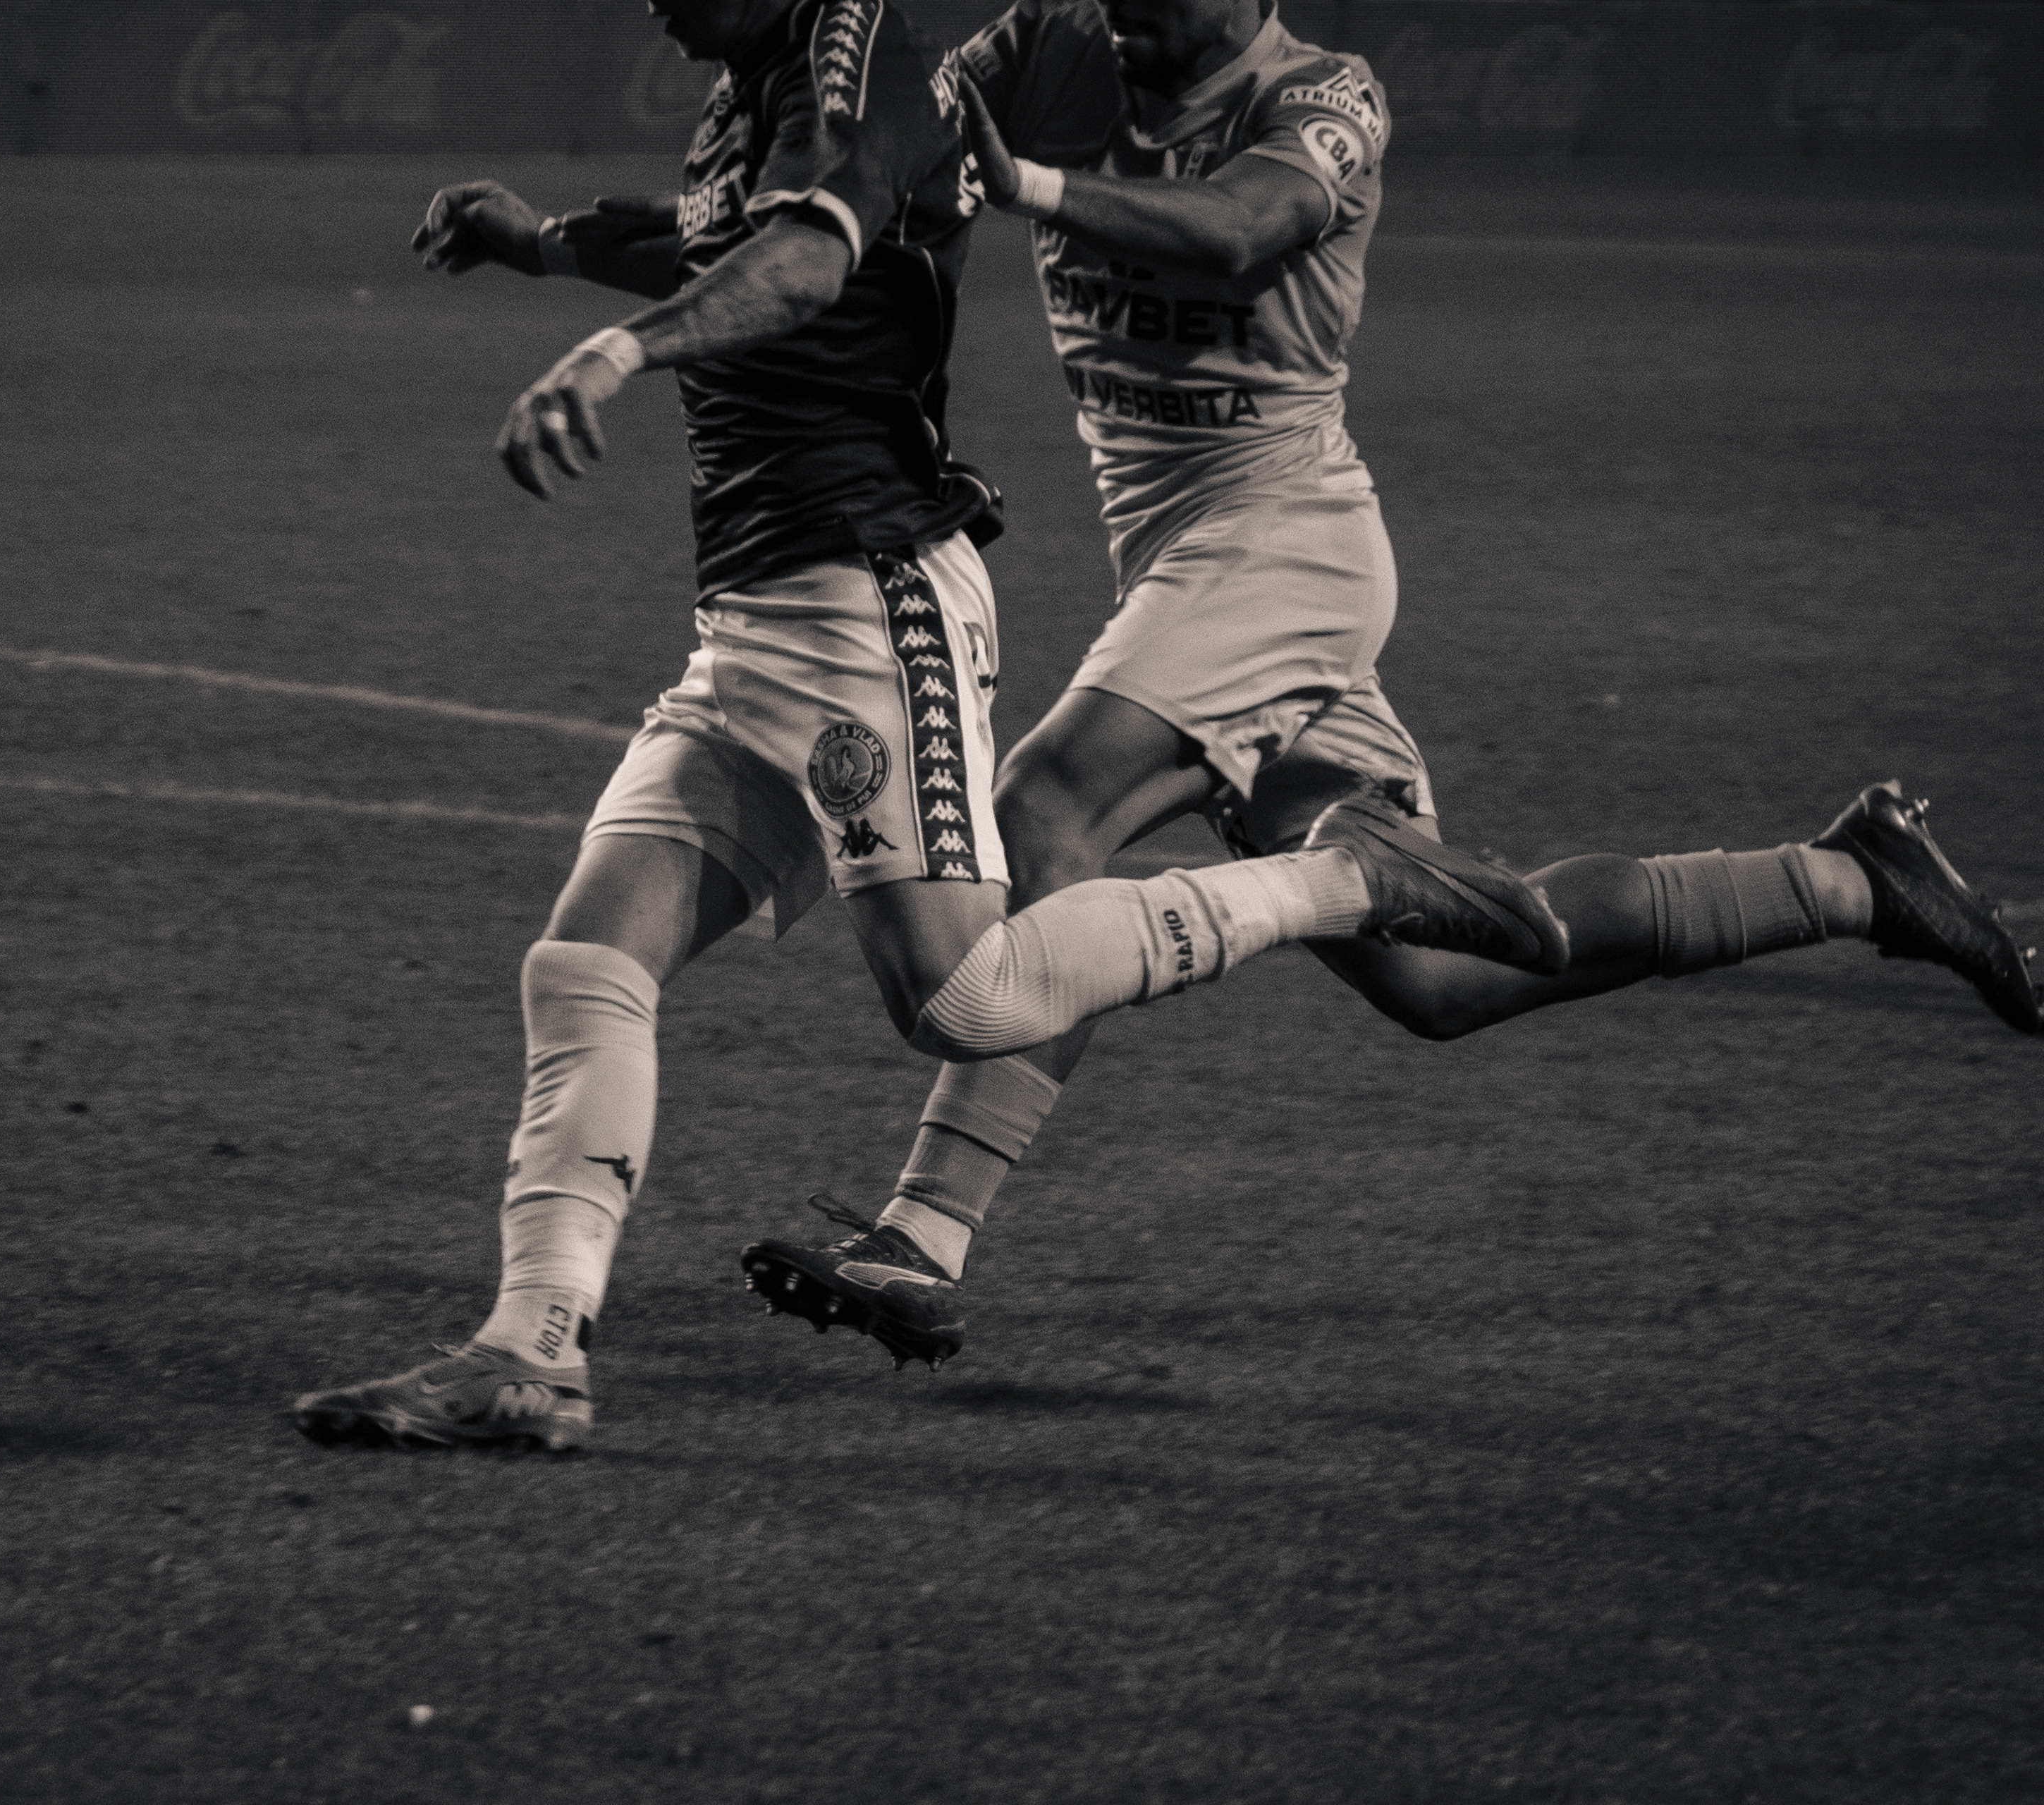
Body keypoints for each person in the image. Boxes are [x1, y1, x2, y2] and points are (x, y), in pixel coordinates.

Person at [293, 0, 1572, 1453]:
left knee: (965, 1000)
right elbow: (730, 242)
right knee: (585, 964)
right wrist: (543, 243)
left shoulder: (859, 54)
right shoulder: (762, 80)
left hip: (866, 598)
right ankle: (530, 1356)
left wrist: (617, 353)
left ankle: (1347, 879)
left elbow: (804, 259)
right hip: (753, 620)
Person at [738, 0, 2041, 1373]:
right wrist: (762, 208)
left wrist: (1035, 189)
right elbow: (896, 150)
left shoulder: (1324, 95)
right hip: (1187, 566)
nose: (1120, 11)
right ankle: (1852, 879)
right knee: (1442, 977)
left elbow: (1243, 225)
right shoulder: (1053, 42)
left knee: (1050, 805)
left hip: (1285, 544)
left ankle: (925, 1234)